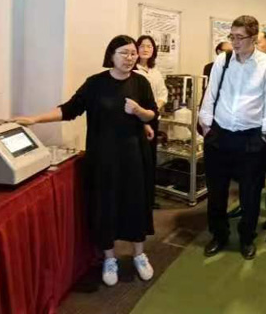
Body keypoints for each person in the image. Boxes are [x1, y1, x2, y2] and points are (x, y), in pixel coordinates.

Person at [13, 35, 158, 287]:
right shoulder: (95, 84)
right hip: (103, 156)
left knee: (135, 202)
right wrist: (35, 119)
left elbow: (151, 114)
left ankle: (139, 254)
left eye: (133, 53)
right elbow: (69, 109)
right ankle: (109, 258)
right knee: (105, 204)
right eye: (124, 53)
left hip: (134, 155)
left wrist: (138, 111)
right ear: (111, 55)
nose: (130, 58)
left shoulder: (140, 82)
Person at [199, 16, 266, 260]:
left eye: (240, 37)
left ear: (254, 38)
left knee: (250, 193)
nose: (234, 42)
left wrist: (265, 133)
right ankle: (219, 234)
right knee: (216, 192)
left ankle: (246, 238)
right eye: (231, 36)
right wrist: (206, 125)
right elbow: (211, 94)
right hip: (219, 135)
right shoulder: (222, 60)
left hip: (251, 138)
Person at [135, 35, 168, 209]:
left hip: (153, 118)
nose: (146, 49)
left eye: (149, 46)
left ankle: (149, 198)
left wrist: (155, 109)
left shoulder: (155, 71)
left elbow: (163, 93)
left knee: (150, 160)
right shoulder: (134, 71)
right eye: (142, 46)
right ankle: (138, 199)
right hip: (138, 121)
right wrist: (145, 115)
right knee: (139, 161)